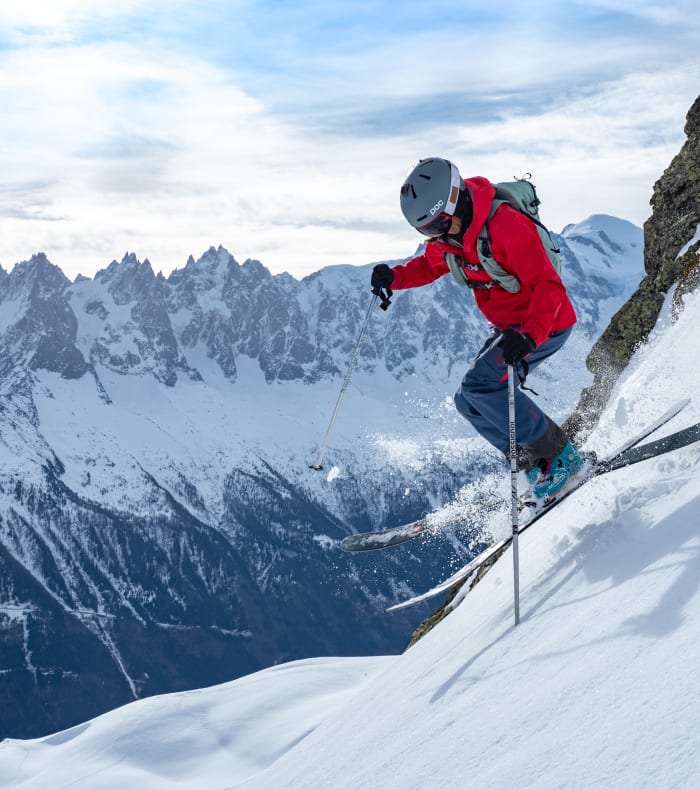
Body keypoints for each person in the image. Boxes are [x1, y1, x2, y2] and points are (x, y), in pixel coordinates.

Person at [370, 157, 585, 503]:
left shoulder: (506, 226)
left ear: (456, 198)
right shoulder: (450, 239)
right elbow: (428, 266)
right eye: (426, 231)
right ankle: (536, 465)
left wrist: (530, 335)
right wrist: (394, 278)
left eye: (438, 224)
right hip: (511, 329)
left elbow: (549, 286)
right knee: (467, 401)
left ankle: (561, 458)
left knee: (482, 386)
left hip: (544, 323)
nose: (435, 236)